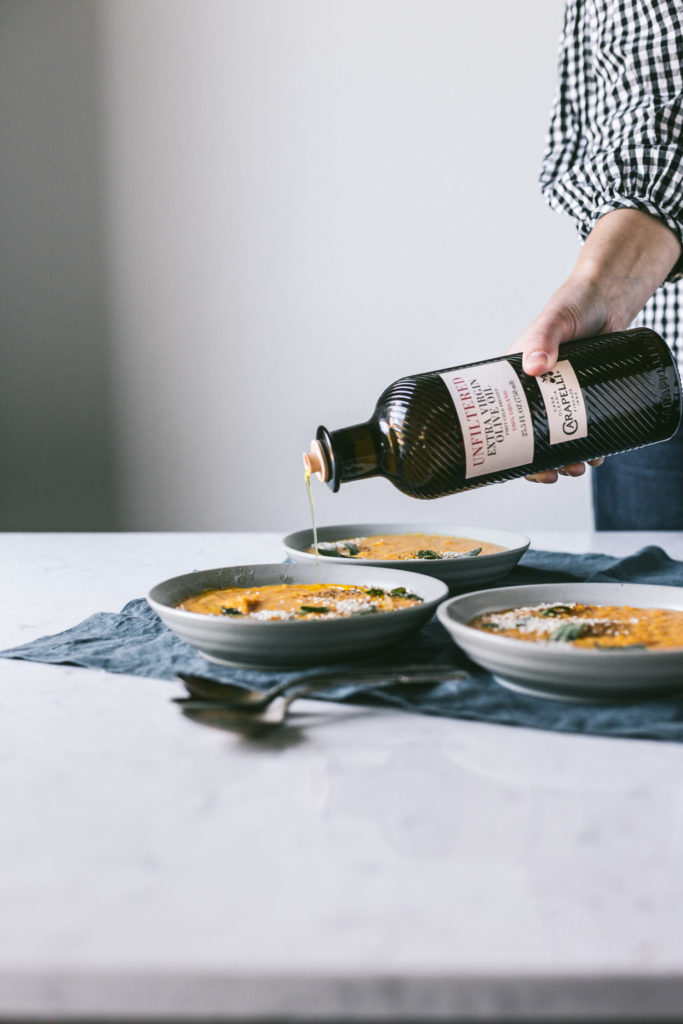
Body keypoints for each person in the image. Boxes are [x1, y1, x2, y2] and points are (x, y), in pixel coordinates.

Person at [509, 0, 683, 528]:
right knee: (639, 606)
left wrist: (598, 287)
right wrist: (600, 293)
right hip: (651, 376)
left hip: (643, 366)